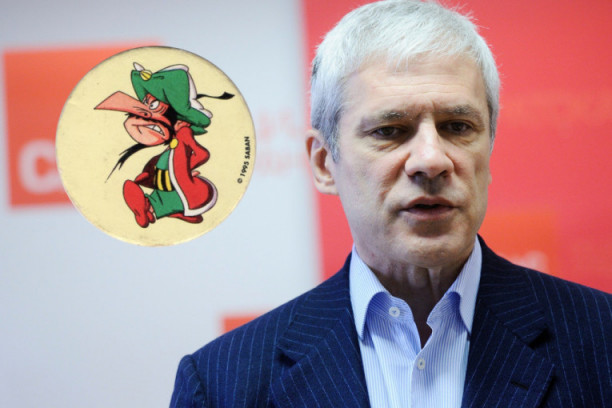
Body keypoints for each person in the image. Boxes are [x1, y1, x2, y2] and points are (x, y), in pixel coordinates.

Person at [169, 1, 611, 406]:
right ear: (324, 164)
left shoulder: (602, 341)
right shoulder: (222, 383)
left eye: (457, 126)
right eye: (389, 131)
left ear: (489, 148)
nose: (431, 160)